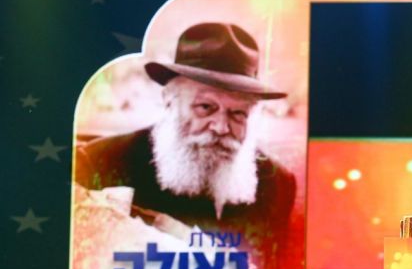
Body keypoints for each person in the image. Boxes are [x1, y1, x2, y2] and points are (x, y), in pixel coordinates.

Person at [74, 22, 296, 243]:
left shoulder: (278, 185)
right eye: (205, 107)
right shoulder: (101, 164)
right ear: (169, 100)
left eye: (238, 113)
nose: (221, 127)